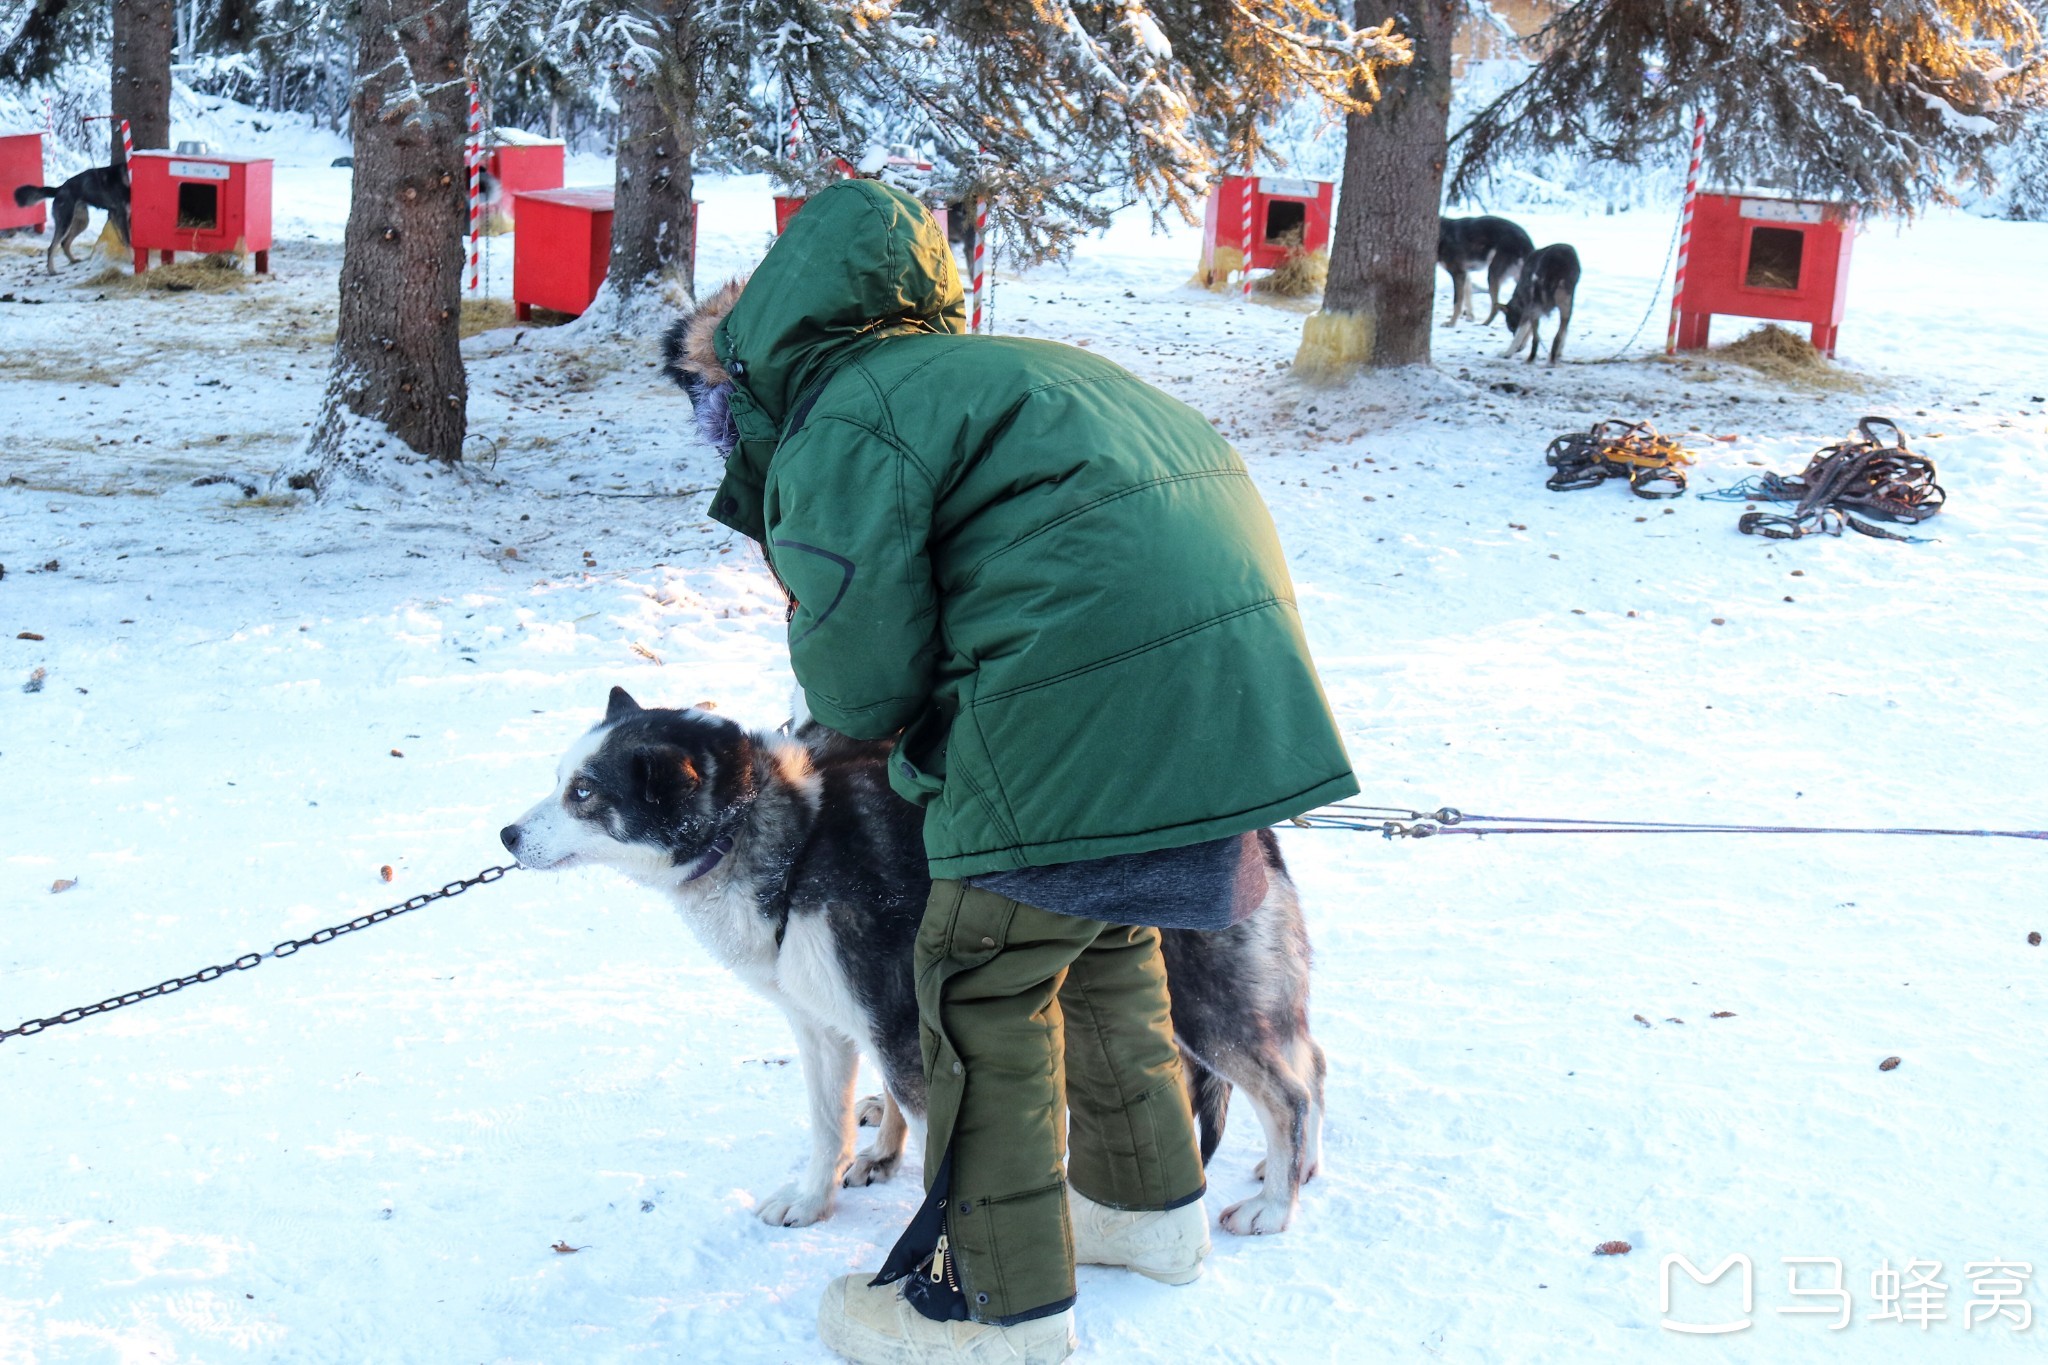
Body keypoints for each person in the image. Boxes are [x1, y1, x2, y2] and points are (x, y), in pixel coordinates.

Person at [666, 178, 1357, 1364]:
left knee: (971, 983)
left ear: (747, 361)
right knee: (1105, 950)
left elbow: (860, 686)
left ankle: (982, 1307)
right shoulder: (999, 370)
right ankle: (1144, 1215)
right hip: (1232, 698)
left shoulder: (845, 414)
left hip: (1081, 700)